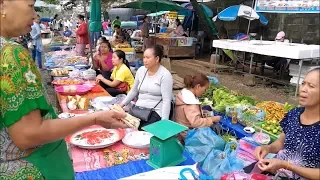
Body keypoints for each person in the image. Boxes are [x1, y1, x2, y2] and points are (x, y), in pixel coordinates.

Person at [0, 0, 128, 179]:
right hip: (32, 169)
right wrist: (96, 118)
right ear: (2, 4)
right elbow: (28, 134)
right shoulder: (10, 54)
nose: (34, 14)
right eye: (30, 5)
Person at [254, 68, 320, 180]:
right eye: (303, 83)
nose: (303, 89)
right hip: (275, 174)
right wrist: (268, 148)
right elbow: (281, 142)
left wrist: (287, 166)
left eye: (311, 86)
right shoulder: (294, 114)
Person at [120, 45, 173, 128]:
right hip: (138, 109)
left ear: (157, 59)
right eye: (144, 57)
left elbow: (167, 100)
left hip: (155, 111)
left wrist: (164, 122)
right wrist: (121, 105)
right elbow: (134, 91)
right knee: (124, 126)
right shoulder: (141, 70)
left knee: (143, 132)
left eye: (148, 58)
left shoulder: (165, 75)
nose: (145, 60)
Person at [175, 74, 222, 142]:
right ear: (198, 86)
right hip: (187, 134)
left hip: (181, 128)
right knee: (217, 140)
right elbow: (196, 123)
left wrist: (202, 112)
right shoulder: (190, 102)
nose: (204, 92)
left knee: (207, 109)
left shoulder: (184, 93)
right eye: (204, 89)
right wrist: (212, 119)